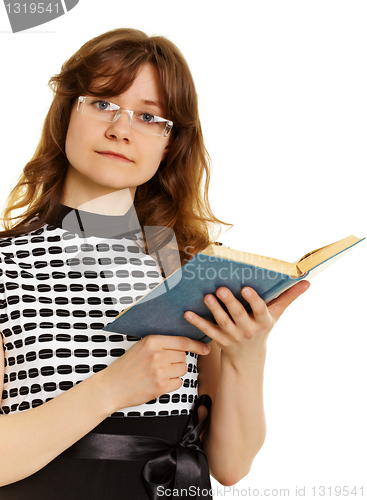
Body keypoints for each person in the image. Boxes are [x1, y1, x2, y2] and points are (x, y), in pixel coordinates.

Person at [0, 28, 310, 499]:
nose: (121, 129)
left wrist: (248, 354)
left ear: (169, 144)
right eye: (102, 103)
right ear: (66, 111)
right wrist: (111, 390)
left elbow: (230, 464)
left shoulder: (184, 267)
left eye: (149, 117)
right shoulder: (6, 263)